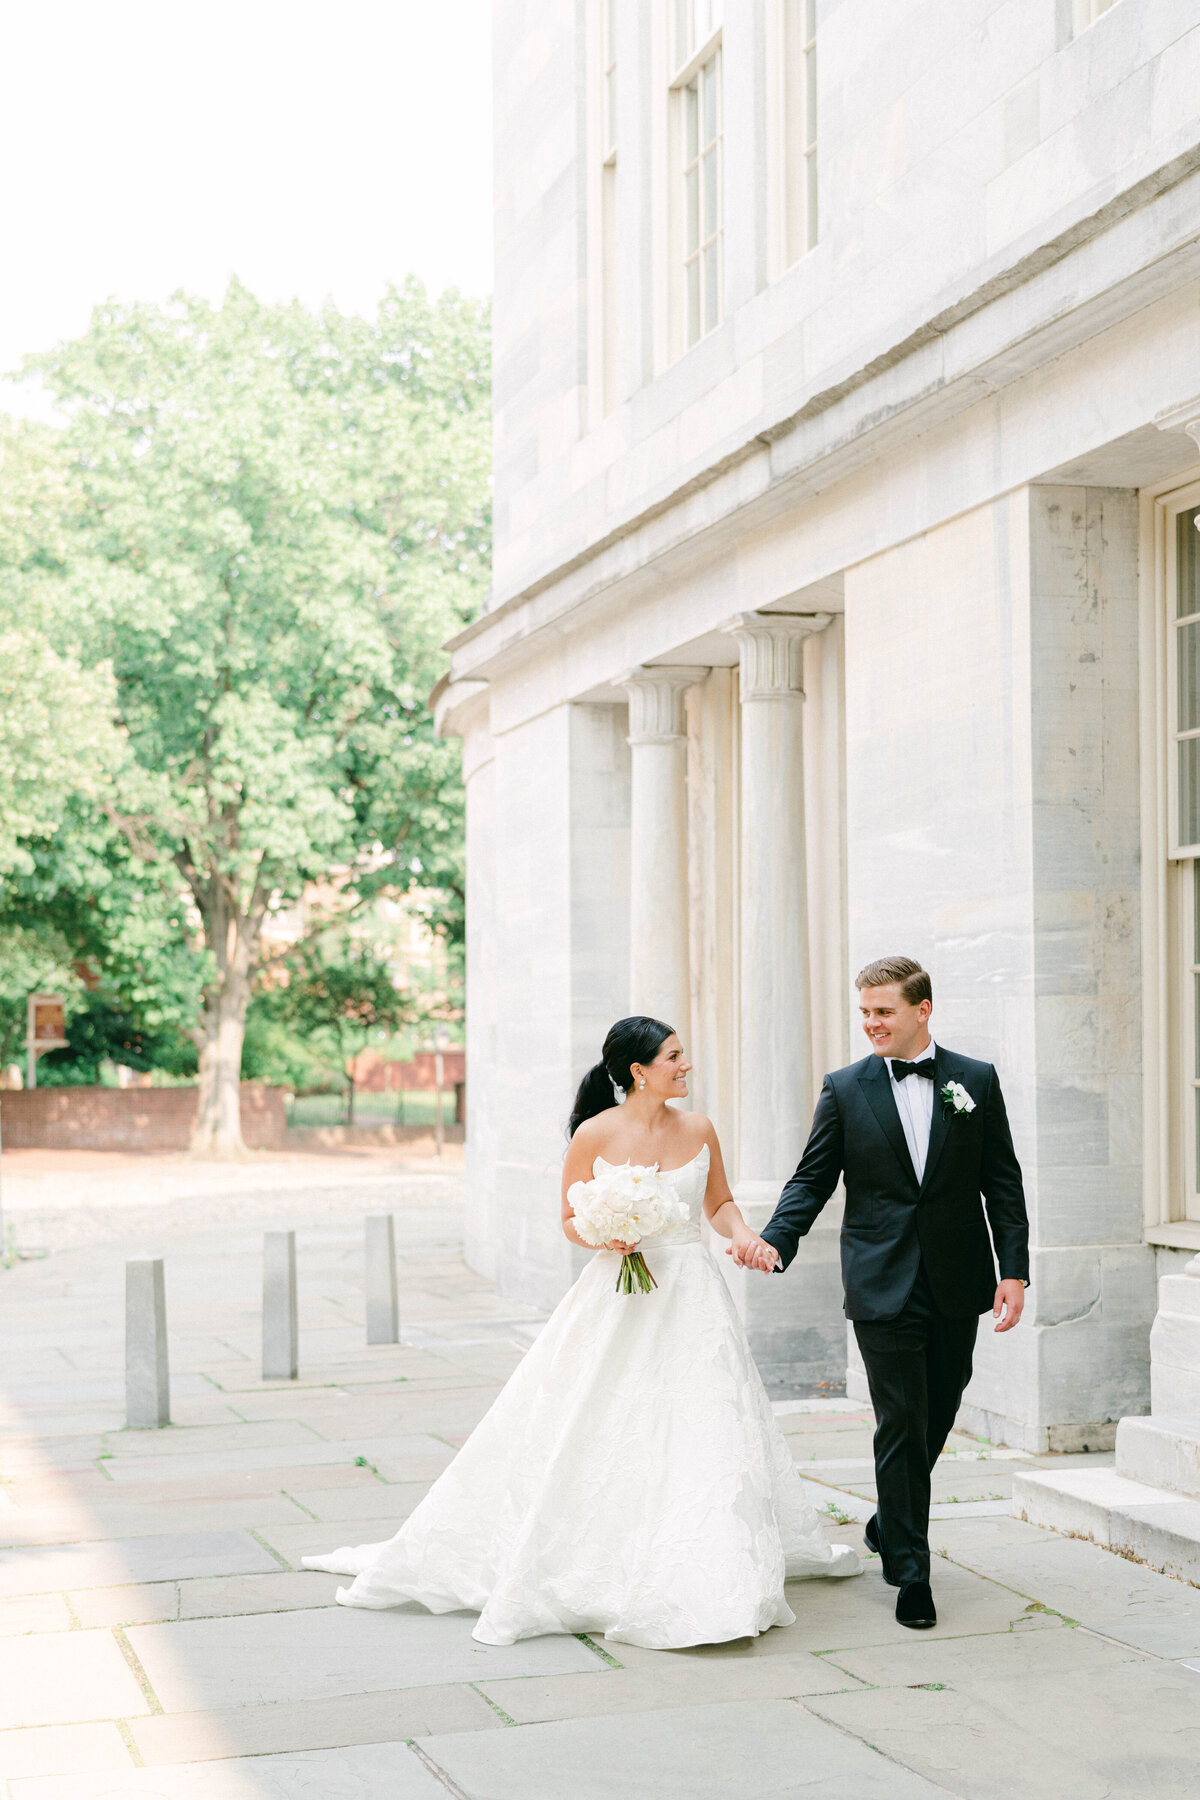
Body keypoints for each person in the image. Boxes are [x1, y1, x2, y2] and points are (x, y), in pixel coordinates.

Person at [302, 1015, 859, 1647]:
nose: (686, 1065)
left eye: (684, 1055)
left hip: (693, 1297)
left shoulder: (699, 1128)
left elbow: (718, 1204)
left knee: (703, 1420)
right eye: (674, 1057)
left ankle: (709, 1564)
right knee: (606, 1419)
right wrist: (607, 1232)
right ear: (638, 1071)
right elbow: (570, 1218)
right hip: (619, 1296)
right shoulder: (594, 1134)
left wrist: (746, 1237)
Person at [739, 957, 1029, 1631]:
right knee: (900, 1420)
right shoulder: (845, 1089)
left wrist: (1012, 1270)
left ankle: (887, 1522)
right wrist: (777, 1239)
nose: (870, 1023)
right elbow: (812, 1179)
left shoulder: (975, 1081)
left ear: (922, 1010)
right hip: (880, 1279)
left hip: (957, 1279)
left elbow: (1002, 1181)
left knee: (938, 1410)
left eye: (883, 1012)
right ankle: (911, 1573)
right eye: (864, 1012)